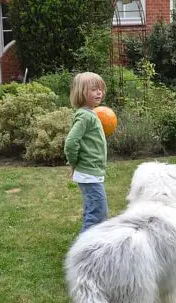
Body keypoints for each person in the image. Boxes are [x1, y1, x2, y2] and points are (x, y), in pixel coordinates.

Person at [64, 72, 108, 233]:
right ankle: (85, 252)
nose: (99, 92)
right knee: (98, 215)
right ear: (82, 93)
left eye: (100, 89)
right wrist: (74, 163)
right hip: (89, 174)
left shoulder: (90, 113)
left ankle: (90, 248)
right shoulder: (84, 116)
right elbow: (70, 143)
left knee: (93, 210)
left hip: (92, 172)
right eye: (94, 89)